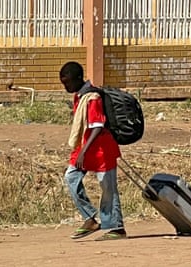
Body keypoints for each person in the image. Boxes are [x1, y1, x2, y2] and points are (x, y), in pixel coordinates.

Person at [59, 61, 127, 241]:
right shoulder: (81, 96)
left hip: (101, 149)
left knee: (108, 188)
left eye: (67, 82)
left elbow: (97, 126)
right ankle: (90, 218)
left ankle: (117, 228)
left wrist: (82, 152)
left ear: (77, 79)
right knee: (71, 177)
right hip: (86, 147)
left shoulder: (92, 97)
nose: (66, 86)